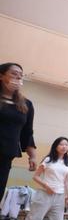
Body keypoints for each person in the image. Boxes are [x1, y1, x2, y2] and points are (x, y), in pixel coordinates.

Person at [1, 137, 68, 220]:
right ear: (56, 146)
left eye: (66, 145)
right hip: (44, 195)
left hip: (59, 197)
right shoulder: (48, 160)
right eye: (61, 144)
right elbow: (36, 177)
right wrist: (47, 186)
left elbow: (67, 181)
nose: (64, 147)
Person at [0, 63, 37, 200]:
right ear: (1, 76)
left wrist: (32, 156)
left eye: (21, 75)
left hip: (5, 156)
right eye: (14, 73)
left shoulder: (26, 104)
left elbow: (27, 133)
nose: (18, 77)